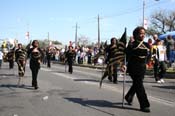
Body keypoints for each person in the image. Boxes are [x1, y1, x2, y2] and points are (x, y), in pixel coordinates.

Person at [125, 26, 151, 112]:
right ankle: (144, 105)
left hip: (142, 67)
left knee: (137, 84)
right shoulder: (132, 45)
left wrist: (147, 62)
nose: (143, 35)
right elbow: (126, 56)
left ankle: (128, 96)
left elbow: (149, 55)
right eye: (140, 33)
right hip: (133, 67)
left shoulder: (147, 45)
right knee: (139, 85)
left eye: (144, 33)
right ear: (136, 34)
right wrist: (123, 65)